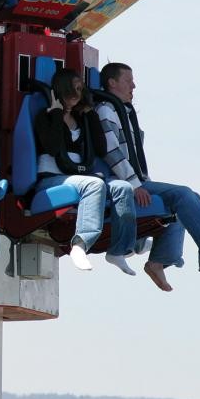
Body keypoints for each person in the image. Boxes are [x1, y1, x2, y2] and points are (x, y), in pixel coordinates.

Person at [96, 62, 200, 291]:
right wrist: (134, 184)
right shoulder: (106, 110)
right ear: (112, 82)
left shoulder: (124, 112)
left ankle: (169, 260)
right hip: (120, 182)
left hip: (137, 180)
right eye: (128, 81)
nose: (134, 85)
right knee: (183, 195)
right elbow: (111, 151)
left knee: (188, 198)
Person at [34, 69, 137, 273]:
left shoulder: (81, 119)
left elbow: (100, 147)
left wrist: (90, 113)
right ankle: (81, 244)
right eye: (74, 88)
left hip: (78, 176)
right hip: (53, 178)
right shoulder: (44, 116)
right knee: (95, 184)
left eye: (81, 89)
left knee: (123, 188)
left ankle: (119, 250)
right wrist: (56, 113)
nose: (78, 93)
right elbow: (53, 147)